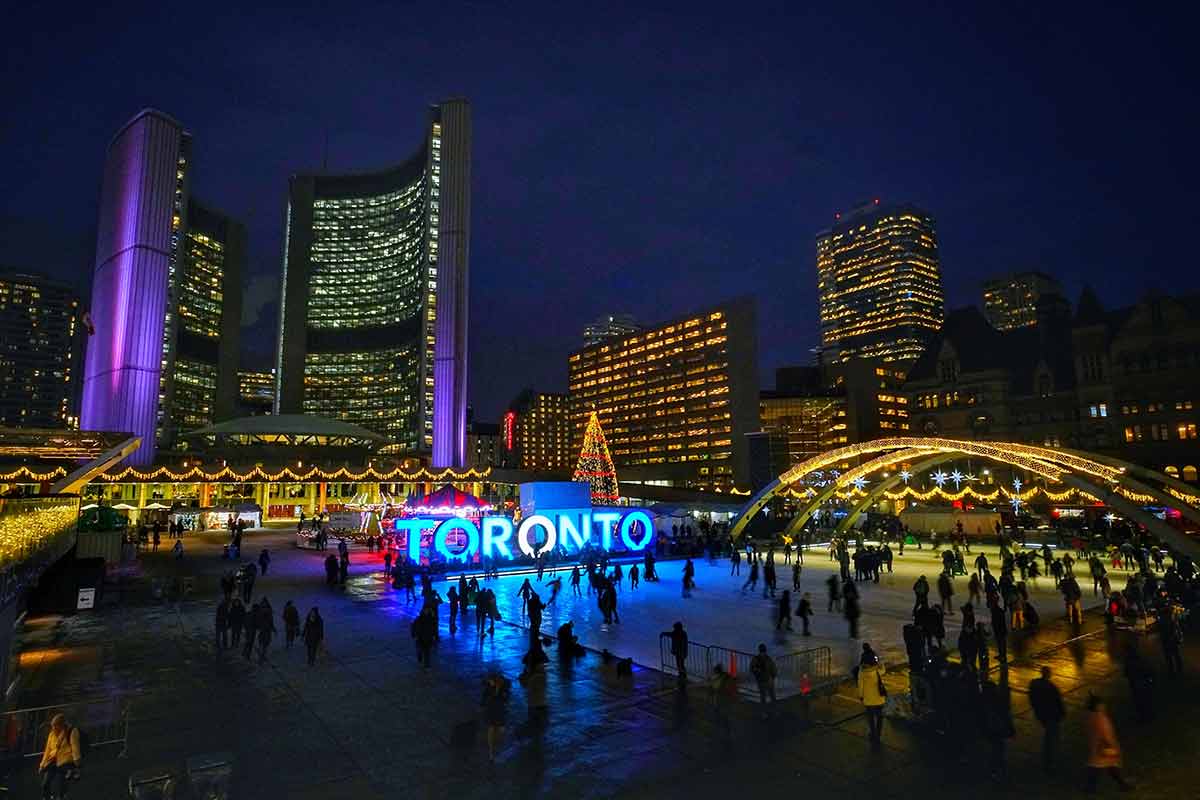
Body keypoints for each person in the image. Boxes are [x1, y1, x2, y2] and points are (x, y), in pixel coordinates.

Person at [1085, 695, 1131, 791]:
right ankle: (1122, 785)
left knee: (1106, 765)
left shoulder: (1090, 716)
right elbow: (1107, 734)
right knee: (1105, 765)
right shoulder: (1101, 718)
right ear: (1097, 706)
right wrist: (1115, 746)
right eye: (1102, 704)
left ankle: (1122, 784)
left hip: (1096, 746)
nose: (1104, 706)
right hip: (1104, 747)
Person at [1029, 667, 1065, 772]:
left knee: (1049, 737)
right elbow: (1058, 702)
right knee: (1052, 738)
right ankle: (1050, 762)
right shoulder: (1051, 687)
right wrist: (1061, 714)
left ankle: (1048, 760)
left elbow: (1032, 699)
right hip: (1052, 716)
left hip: (1043, 715)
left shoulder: (1034, 684)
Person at [39, 712, 82, 799]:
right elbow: (47, 750)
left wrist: (77, 761)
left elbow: (75, 747)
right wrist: (42, 765)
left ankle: (62, 796)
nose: (53, 728)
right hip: (53, 760)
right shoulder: (51, 734)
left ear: (62, 725)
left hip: (65, 761)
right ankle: (48, 797)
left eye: (56, 725)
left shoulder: (71, 731)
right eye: (53, 726)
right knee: (45, 784)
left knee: (61, 785)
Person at [857, 651, 887, 745]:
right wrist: (880, 663)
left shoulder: (862, 671)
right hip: (878, 698)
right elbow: (884, 670)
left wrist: (861, 696)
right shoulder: (877, 670)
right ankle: (878, 734)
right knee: (879, 717)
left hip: (868, 699)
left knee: (870, 718)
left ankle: (873, 733)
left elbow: (860, 685)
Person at [481, 673, 511, 763]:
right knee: (491, 729)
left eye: (491, 681)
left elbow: (506, 699)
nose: (490, 682)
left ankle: (495, 747)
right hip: (492, 711)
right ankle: (491, 751)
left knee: (501, 731)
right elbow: (483, 700)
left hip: (499, 711)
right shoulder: (488, 689)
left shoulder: (504, 689)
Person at [519, 658, 549, 730]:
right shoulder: (541, 676)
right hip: (540, 703)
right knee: (539, 725)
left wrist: (525, 674)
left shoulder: (535, 677)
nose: (543, 667)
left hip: (534, 704)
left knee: (535, 724)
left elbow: (524, 684)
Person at [750, 643, 778, 714]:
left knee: (768, 697)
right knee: (766, 697)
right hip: (764, 681)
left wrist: (772, 676)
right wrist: (772, 676)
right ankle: (767, 712)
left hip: (766, 680)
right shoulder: (766, 658)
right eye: (762, 651)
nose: (763, 653)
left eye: (763, 651)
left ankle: (769, 711)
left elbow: (773, 668)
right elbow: (773, 668)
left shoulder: (759, 659)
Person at [256, 598, 276, 663]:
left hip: (266, 630)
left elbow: (271, 622)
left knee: (265, 644)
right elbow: (257, 621)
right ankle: (261, 658)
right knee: (263, 645)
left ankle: (262, 657)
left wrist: (273, 629)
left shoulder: (268, 613)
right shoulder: (260, 612)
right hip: (263, 630)